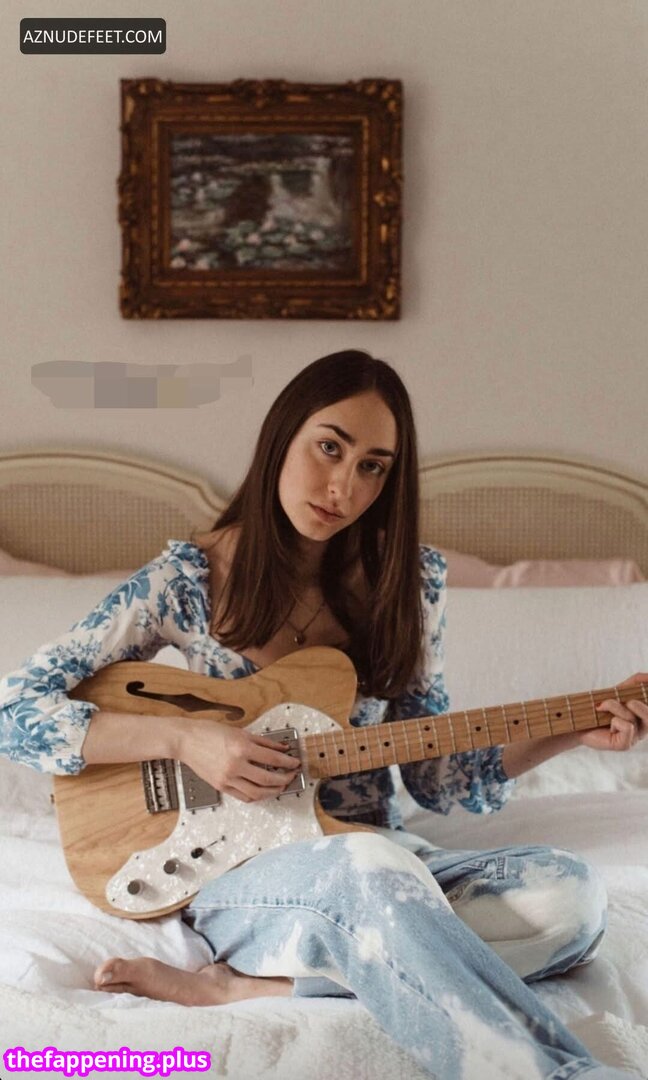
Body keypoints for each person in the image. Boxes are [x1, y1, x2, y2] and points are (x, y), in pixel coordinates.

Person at [1, 349, 646, 1080]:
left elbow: (437, 780)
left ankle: (255, 989)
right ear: (283, 438)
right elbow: (15, 709)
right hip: (240, 875)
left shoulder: (409, 584)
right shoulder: (188, 580)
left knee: (570, 897)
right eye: (329, 448)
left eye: (373, 466)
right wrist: (186, 739)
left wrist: (569, 730)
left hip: (382, 860)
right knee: (370, 865)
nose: (344, 486)